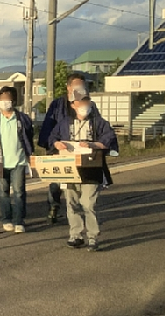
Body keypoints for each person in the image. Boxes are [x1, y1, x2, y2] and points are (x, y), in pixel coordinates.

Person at [48, 88, 118, 251]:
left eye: (86, 101)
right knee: (71, 203)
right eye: (80, 101)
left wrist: (93, 145)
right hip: (70, 169)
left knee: (88, 203)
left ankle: (92, 236)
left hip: (92, 169)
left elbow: (109, 139)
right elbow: (52, 138)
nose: (84, 105)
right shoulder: (64, 123)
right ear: (73, 104)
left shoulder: (99, 122)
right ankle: (76, 235)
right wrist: (56, 144)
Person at [38, 73, 98, 224]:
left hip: (83, 150)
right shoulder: (57, 104)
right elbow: (48, 127)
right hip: (61, 149)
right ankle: (54, 206)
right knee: (57, 181)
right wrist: (52, 146)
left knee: (81, 182)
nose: (79, 88)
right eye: (76, 85)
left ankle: (82, 214)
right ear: (68, 87)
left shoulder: (90, 105)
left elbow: (97, 125)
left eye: (82, 86)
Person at [0, 86, 34, 233]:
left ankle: (19, 220)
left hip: (18, 160)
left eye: (7, 99)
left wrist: (29, 153)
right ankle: (6, 219)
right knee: (2, 192)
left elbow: (29, 137)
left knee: (19, 191)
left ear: (14, 101)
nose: (4, 102)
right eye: (2, 99)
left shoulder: (22, 119)